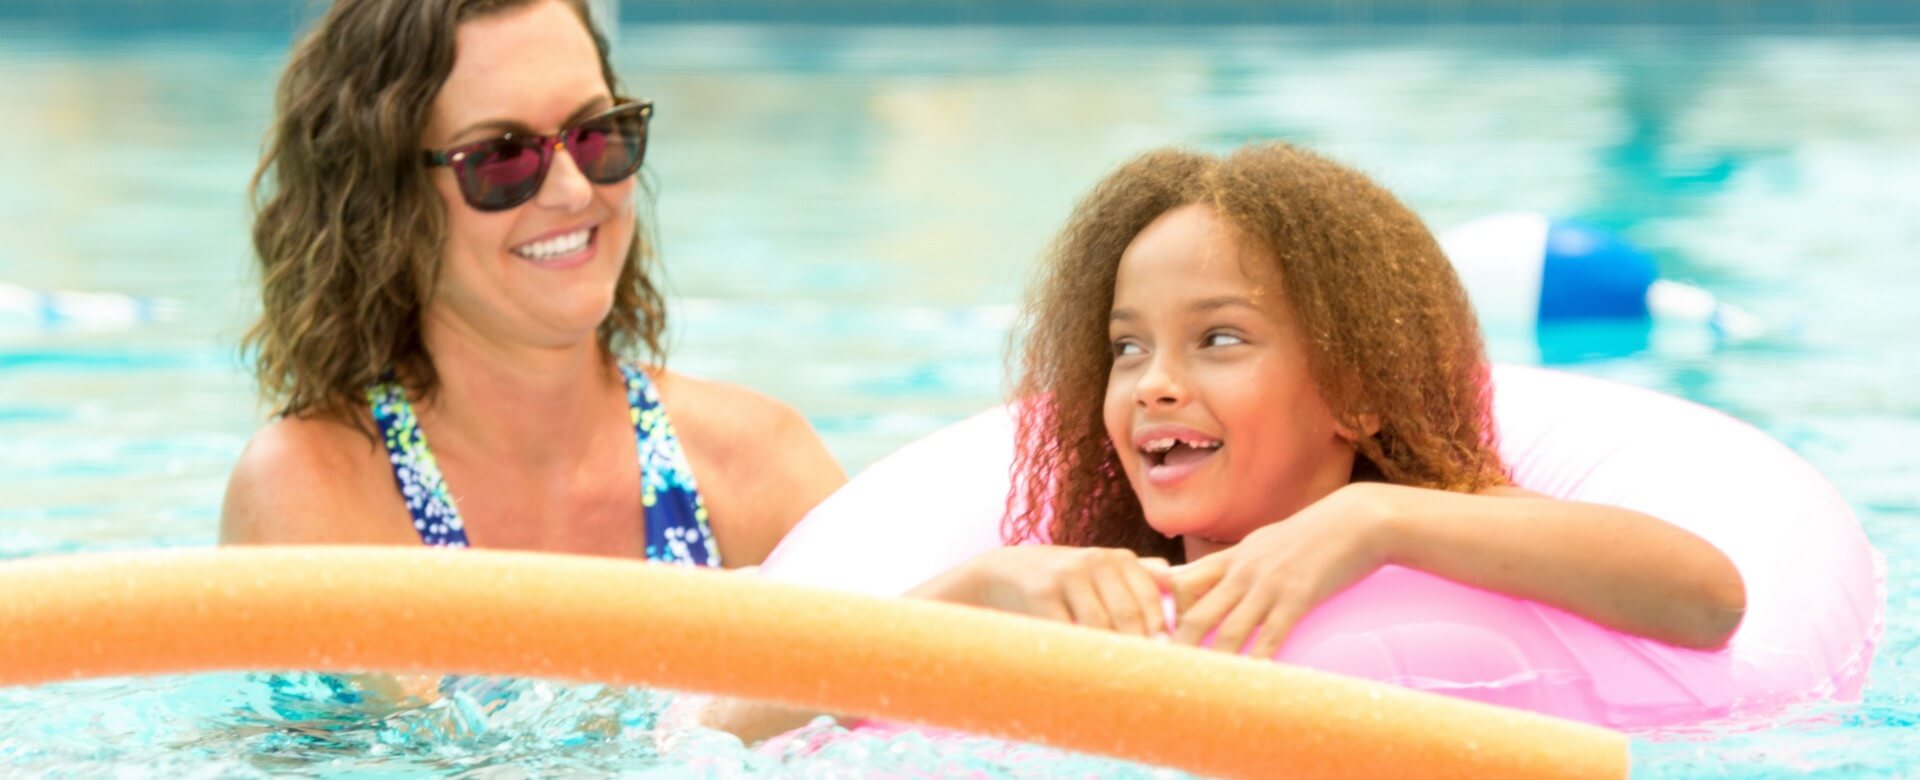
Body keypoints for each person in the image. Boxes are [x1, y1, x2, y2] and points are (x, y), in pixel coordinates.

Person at [911, 143, 1747, 658]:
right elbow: (779, 707)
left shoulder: (1451, 540)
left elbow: (1708, 600)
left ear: (1357, 388)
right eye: (1126, 348)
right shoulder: (1093, 586)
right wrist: (983, 587)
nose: (1153, 382)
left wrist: (1374, 521)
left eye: (1219, 338)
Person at [220, 0, 844, 568]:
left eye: (595, 136)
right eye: (502, 158)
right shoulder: (313, 487)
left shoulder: (757, 464)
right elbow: (419, 700)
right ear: (382, 203)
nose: (574, 190)